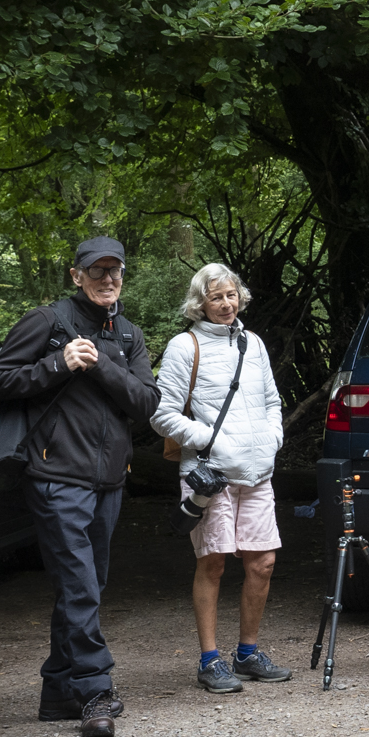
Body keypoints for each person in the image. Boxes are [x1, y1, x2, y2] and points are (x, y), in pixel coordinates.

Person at [0, 237, 158, 737]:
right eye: (96, 271)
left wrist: (99, 361)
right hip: (55, 476)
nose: (107, 279)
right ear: (75, 275)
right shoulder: (47, 322)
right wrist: (58, 363)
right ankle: (94, 690)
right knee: (80, 584)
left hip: (109, 480)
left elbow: (147, 401)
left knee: (87, 586)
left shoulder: (127, 335)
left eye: (115, 271)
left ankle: (58, 690)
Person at [152, 263, 288, 693]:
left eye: (231, 295)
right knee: (212, 563)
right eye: (216, 297)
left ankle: (247, 654)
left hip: (258, 470)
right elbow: (162, 414)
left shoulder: (254, 344)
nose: (226, 304)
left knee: (262, 562)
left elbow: (272, 400)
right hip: (210, 474)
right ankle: (210, 661)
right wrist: (211, 439)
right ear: (200, 304)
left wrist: (272, 440)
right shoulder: (183, 346)